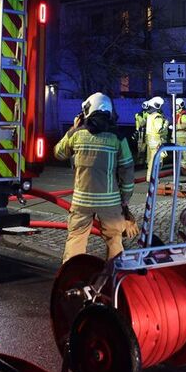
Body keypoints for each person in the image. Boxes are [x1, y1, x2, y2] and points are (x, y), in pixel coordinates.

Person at [55, 92, 134, 263]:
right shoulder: (118, 138)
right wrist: (125, 200)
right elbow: (127, 170)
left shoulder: (77, 134)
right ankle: (113, 281)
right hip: (110, 203)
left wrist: (73, 128)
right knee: (114, 241)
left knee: (76, 239)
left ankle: (71, 278)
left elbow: (59, 153)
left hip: (82, 202)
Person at [144, 97, 169, 182]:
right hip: (157, 142)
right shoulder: (157, 117)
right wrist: (166, 124)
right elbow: (159, 130)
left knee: (151, 160)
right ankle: (154, 178)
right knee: (157, 161)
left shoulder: (150, 116)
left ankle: (149, 177)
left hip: (150, 141)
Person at [174, 98, 186, 170]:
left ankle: (184, 166)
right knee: (178, 151)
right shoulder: (177, 113)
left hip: (182, 135)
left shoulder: (183, 114)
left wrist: (175, 127)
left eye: (177, 106)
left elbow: (184, 125)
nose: (176, 107)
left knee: (183, 150)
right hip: (178, 135)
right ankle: (179, 165)